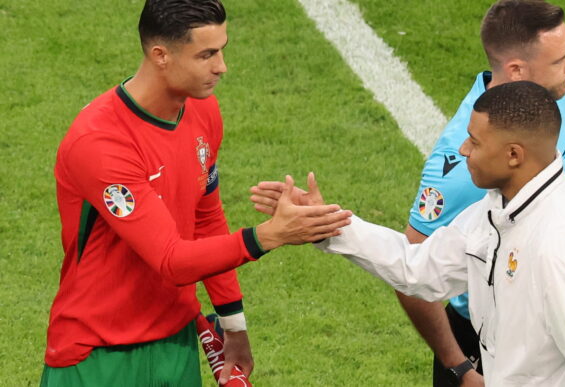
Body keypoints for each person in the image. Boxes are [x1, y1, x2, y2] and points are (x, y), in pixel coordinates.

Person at [40, 1, 351, 386]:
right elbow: (170, 259)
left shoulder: (202, 112)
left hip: (177, 343)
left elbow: (205, 220)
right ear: (161, 56)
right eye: (206, 54)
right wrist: (269, 235)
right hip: (98, 354)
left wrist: (233, 324)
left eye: (222, 50)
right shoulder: (101, 142)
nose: (222, 66)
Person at [315, 81, 565, 386]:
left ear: (513, 155)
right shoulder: (499, 208)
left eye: (475, 141)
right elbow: (419, 268)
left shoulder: (562, 248)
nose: (463, 149)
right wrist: (324, 224)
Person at [397, 1, 565, 385]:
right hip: (487, 333)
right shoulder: (462, 166)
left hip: (554, 319)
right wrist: (457, 365)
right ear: (518, 71)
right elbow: (410, 266)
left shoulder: (561, 100)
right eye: (560, 59)